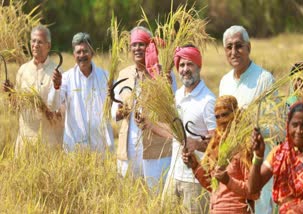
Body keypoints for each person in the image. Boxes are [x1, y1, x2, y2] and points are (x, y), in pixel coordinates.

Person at [112, 26, 177, 191]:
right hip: (128, 150)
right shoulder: (124, 74)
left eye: (141, 44)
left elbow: (173, 107)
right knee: (128, 197)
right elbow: (114, 109)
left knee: (154, 196)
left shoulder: (162, 74)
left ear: (150, 46)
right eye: (134, 44)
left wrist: (167, 85)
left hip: (155, 151)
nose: (137, 48)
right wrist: (119, 112)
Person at [219, 25, 275, 213]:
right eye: (229, 47)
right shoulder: (224, 82)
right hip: (233, 168)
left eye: (239, 46)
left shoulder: (264, 79)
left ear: (249, 48)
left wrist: (250, 127)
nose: (234, 52)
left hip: (257, 164)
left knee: (259, 207)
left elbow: (277, 126)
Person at [182, 95, 259, 213]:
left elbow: (253, 192)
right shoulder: (216, 144)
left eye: (225, 114)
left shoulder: (245, 146)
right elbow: (212, 185)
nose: (221, 120)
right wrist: (195, 166)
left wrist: (228, 180)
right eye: (217, 117)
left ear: (235, 114)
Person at [163, 45, 216, 214]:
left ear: (199, 66)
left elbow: (218, 143)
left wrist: (197, 144)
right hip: (173, 175)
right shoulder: (178, 95)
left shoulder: (208, 101)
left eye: (190, 64)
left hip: (196, 181)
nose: (185, 69)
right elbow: (173, 135)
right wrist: (148, 124)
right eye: (182, 65)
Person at [48, 32, 114, 154]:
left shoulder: (106, 77)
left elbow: (114, 111)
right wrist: (56, 86)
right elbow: (53, 105)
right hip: (75, 149)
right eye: (78, 52)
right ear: (74, 55)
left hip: (102, 148)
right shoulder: (66, 78)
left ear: (92, 52)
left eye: (85, 51)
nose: (82, 55)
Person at [2, 25, 64, 154]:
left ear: (48, 46)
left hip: (49, 143)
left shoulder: (57, 72)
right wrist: (10, 93)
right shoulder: (23, 70)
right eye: (33, 41)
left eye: (40, 42)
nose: (35, 45)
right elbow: (16, 106)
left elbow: (60, 109)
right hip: (25, 142)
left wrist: (56, 86)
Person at [249, 101, 303, 213]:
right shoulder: (279, 154)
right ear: (288, 125)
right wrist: (258, 156)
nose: (298, 131)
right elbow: (253, 188)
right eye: (295, 125)